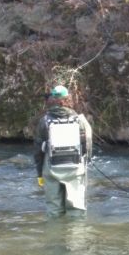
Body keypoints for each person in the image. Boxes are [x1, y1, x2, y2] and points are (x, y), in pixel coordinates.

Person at [34, 85, 93, 217]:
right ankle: (77, 236)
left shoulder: (44, 121)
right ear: (68, 100)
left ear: (51, 100)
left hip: (51, 169)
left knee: (54, 210)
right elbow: (87, 147)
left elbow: (38, 151)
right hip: (75, 169)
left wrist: (39, 174)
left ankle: (55, 236)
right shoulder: (80, 120)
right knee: (76, 210)